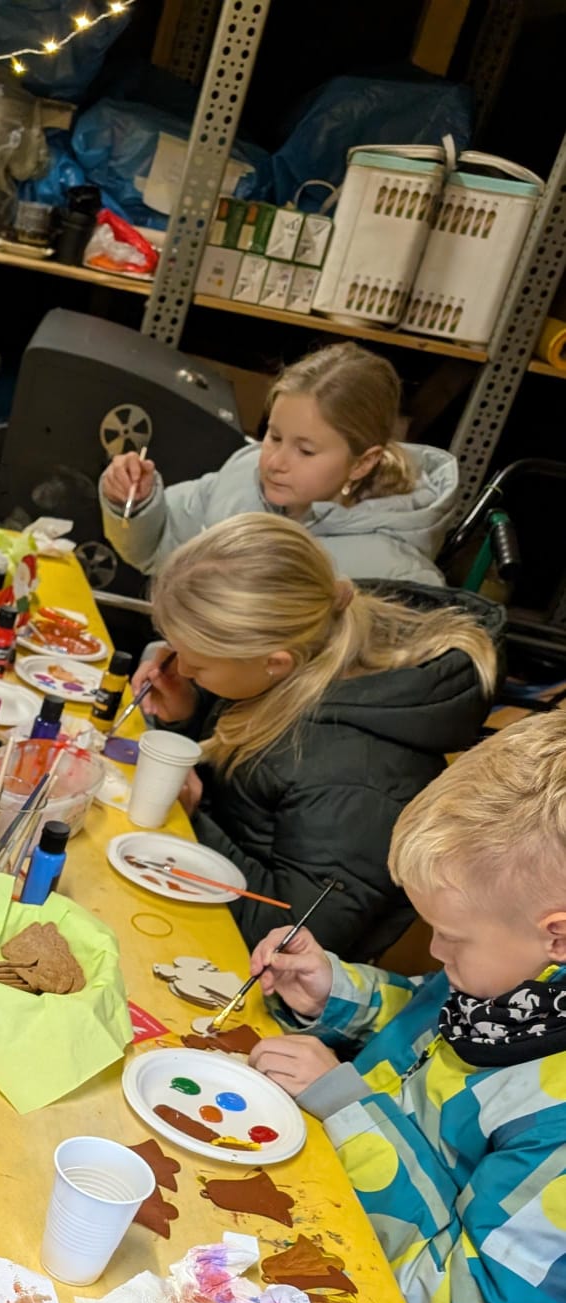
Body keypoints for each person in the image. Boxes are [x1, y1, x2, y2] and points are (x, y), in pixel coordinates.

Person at [246, 711, 566, 1303]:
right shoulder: (518, 975)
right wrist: (335, 995)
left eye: (450, 937)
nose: (438, 956)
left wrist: (347, 1110)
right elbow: (433, 1025)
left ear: (557, 935)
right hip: (332, 1202)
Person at [138, 512, 496, 960]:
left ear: (276, 662)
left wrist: (191, 823)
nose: (183, 669)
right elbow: (244, 792)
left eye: (199, 663)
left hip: (253, 971)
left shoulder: (358, 778)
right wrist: (188, 715)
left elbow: (296, 937)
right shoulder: (301, 657)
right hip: (205, 912)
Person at [99, 343, 458, 586]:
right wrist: (137, 502)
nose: (275, 462)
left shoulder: (396, 572)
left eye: (305, 451)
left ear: (363, 463)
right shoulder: (244, 476)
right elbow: (159, 547)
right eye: (273, 436)